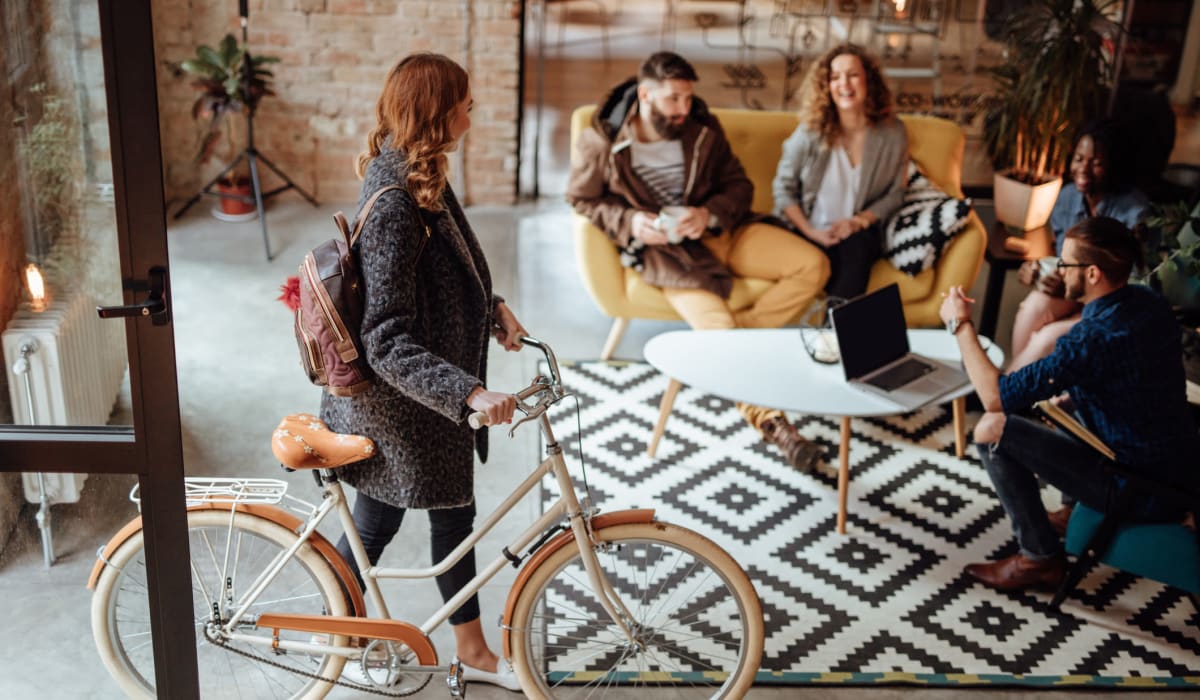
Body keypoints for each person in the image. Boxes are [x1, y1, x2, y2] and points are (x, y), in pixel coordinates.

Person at [320, 53, 525, 691]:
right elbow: (383, 336)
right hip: (402, 407)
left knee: (449, 516)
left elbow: (437, 279)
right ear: (438, 114)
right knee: (381, 521)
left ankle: (470, 650)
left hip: (426, 404)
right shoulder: (396, 205)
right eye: (463, 102)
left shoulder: (424, 175)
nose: (473, 110)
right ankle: (346, 642)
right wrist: (468, 390)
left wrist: (489, 307)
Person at [566, 51, 831, 471]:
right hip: (669, 255)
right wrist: (631, 221)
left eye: (688, 99)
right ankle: (778, 428)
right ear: (645, 94)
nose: (683, 110)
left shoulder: (703, 128)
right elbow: (582, 198)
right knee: (718, 328)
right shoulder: (603, 138)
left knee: (813, 265)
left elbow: (738, 186)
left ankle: (727, 343)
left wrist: (707, 215)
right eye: (673, 99)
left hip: (722, 232)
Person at [939, 217, 1197, 591]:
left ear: (1092, 273)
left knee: (990, 429)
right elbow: (1131, 381)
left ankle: (1038, 557)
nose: (1059, 270)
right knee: (1067, 404)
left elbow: (995, 397)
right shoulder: (1148, 303)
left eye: (1066, 263)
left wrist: (960, 325)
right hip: (1179, 470)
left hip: (1141, 490)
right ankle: (1069, 511)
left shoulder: (1094, 340)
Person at [1008, 119, 1148, 371]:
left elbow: (1137, 284)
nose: (1083, 169)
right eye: (1079, 159)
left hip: (1114, 305)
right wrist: (1039, 270)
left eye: (1096, 163)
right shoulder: (1066, 198)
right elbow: (1061, 257)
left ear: (1114, 165)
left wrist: (1077, 293)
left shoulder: (1135, 213)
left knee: (1046, 339)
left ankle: (1009, 393)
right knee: (1031, 310)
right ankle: (1021, 394)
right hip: (1077, 293)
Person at [773, 43, 908, 300]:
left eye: (853, 74)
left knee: (857, 249)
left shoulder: (892, 134)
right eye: (835, 77)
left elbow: (896, 194)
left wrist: (857, 222)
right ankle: (836, 332)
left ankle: (831, 334)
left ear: (869, 80)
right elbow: (783, 189)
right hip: (809, 231)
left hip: (858, 232)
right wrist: (810, 231)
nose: (844, 83)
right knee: (819, 262)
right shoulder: (810, 133)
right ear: (826, 86)